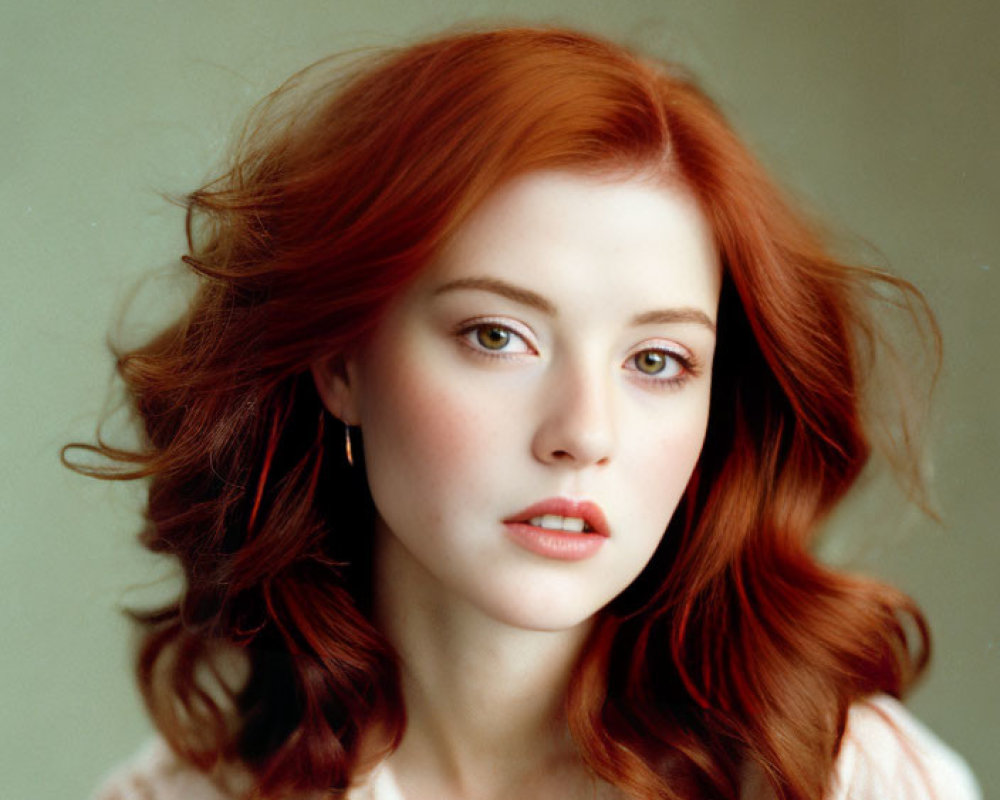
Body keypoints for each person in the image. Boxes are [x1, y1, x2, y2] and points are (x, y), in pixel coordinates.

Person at [69, 25, 980, 800]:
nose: (584, 433)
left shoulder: (848, 779)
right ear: (340, 362)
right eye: (498, 337)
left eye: (657, 361)